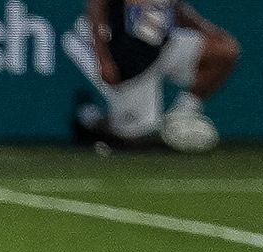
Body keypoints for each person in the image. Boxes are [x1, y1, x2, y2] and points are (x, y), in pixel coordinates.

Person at [67, 0, 237, 148]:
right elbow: (97, 7)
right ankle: (92, 119)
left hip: (166, 45)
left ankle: (183, 113)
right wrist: (103, 59)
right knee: (132, 137)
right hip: (132, 60)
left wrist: (204, 28)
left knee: (223, 50)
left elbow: (174, 9)